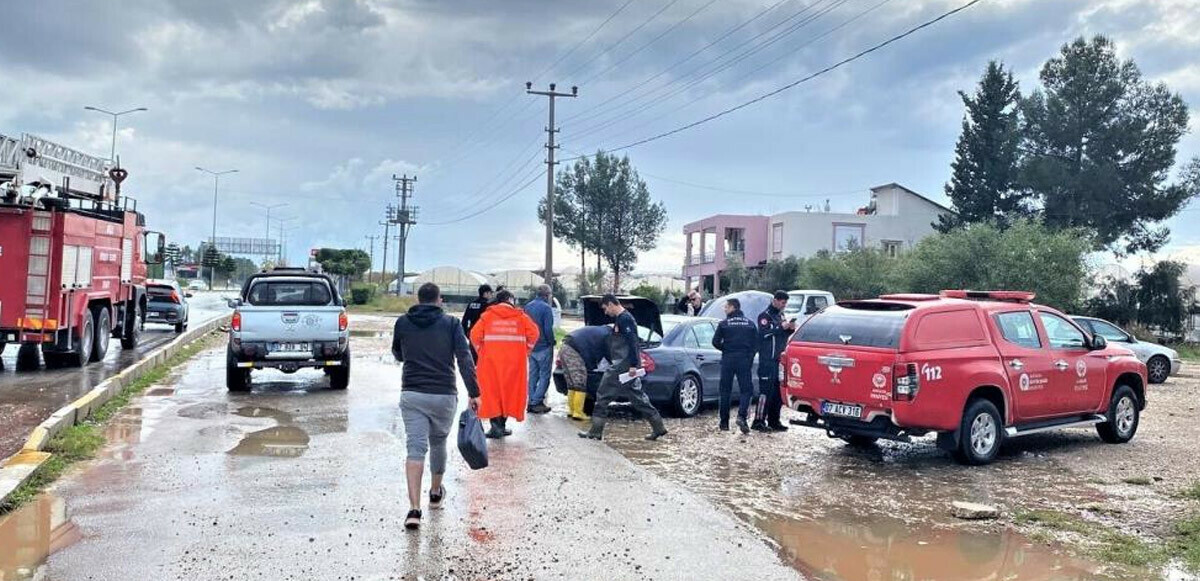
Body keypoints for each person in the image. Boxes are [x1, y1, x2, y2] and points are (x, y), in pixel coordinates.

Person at [392, 282, 481, 532]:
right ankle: (434, 492)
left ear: (419, 299)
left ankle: (413, 510)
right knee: (439, 442)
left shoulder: (402, 322)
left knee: (415, 448)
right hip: (443, 394)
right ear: (439, 300)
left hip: (412, 393)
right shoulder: (451, 324)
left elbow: (397, 353)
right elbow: (464, 358)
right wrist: (474, 392)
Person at [578, 295, 668, 441]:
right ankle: (659, 427)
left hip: (622, 366)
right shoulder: (623, 319)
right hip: (625, 365)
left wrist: (633, 365)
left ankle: (595, 431)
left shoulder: (625, 319)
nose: (605, 313)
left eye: (605, 308)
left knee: (602, 394)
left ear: (611, 304)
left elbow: (633, 343)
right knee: (638, 397)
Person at [470, 289, 539, 439]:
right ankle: (501, 425)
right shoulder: (521, 318)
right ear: (509, 300)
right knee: (509, 393)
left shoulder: (487, 317)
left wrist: (482, 352)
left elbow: (474, 336)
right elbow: (534, 334)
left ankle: (496, 426)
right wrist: (525, 351)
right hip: (515, 364)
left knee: (492, 392)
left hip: (490, 363)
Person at [753, 291, 797, 432]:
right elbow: (764, 333)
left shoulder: (780, 315)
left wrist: (790, 329)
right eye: (783, 303)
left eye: (785, 303)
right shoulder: (764, 316)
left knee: (778, 392)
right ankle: (758, 420)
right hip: (767, 360)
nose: (784, 306)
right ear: (776, 301)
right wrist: (780, 327)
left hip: (779, 360)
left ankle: (774, 420)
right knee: (765, 391)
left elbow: (781, 335)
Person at [712, 297, 757, 434]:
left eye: (726, 307)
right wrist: (749, 356)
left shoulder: (724, 324)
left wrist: (726, 348)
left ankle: (724, 423)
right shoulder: (750, 324)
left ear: (733, 307)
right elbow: (756, 344)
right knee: (746, 390)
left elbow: (715, 342)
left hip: (728, 359)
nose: (725, 309)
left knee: (725, 391)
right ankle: (741, 417)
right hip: (744, 359)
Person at [560, 325, 612, 421]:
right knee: (580, 383)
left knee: (572, 383)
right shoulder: (607, 335)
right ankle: (578, 413)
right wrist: (613, 364)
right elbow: (607, 352)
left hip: (565, 346)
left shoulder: (599, 331)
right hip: (574, 350)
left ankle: (572, 411)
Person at [524, 284, 557, 415]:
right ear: (547, 295)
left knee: (533, 375)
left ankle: (531, 400)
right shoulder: (546, 308)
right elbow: (548, 328)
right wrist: (551, 341)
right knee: (544, 375)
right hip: (543, 346)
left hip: (531, 346)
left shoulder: (528, 306)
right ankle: (536, 402)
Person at [462, 284, 494, 362]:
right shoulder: (488, 305)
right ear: (485, 293)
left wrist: (467, 334)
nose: (491, 295)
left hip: (472, 333)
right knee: (483, 360)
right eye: (490, 293)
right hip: (484, 335)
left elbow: (464, 321)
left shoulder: (471, 304)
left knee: (473, 360)